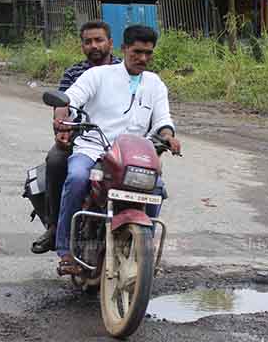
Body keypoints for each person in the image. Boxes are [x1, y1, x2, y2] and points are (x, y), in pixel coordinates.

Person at [54, 25, 182, 276]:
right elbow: (71, 99)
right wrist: (62, 115)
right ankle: (65, 250)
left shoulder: (155, 83)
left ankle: (143, 255)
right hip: (94, 148)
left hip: (134, 156)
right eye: (136, 52)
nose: (142, 58)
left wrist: (168, 136)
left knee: (155, 189)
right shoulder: (98, 76)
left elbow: (163, 120)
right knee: (78, 177)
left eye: (148, 53)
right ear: (123, 49)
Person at [31, 20, 121, 254]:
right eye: (88, 41)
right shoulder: (73, 73)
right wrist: (61, 129)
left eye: (99, 40)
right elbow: (62, 106)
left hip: (117, 141)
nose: (94, 45)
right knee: (56, 160)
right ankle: (54, 227)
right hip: (79, 139)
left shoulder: (123, 71)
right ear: (82, 46)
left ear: (110, 43)